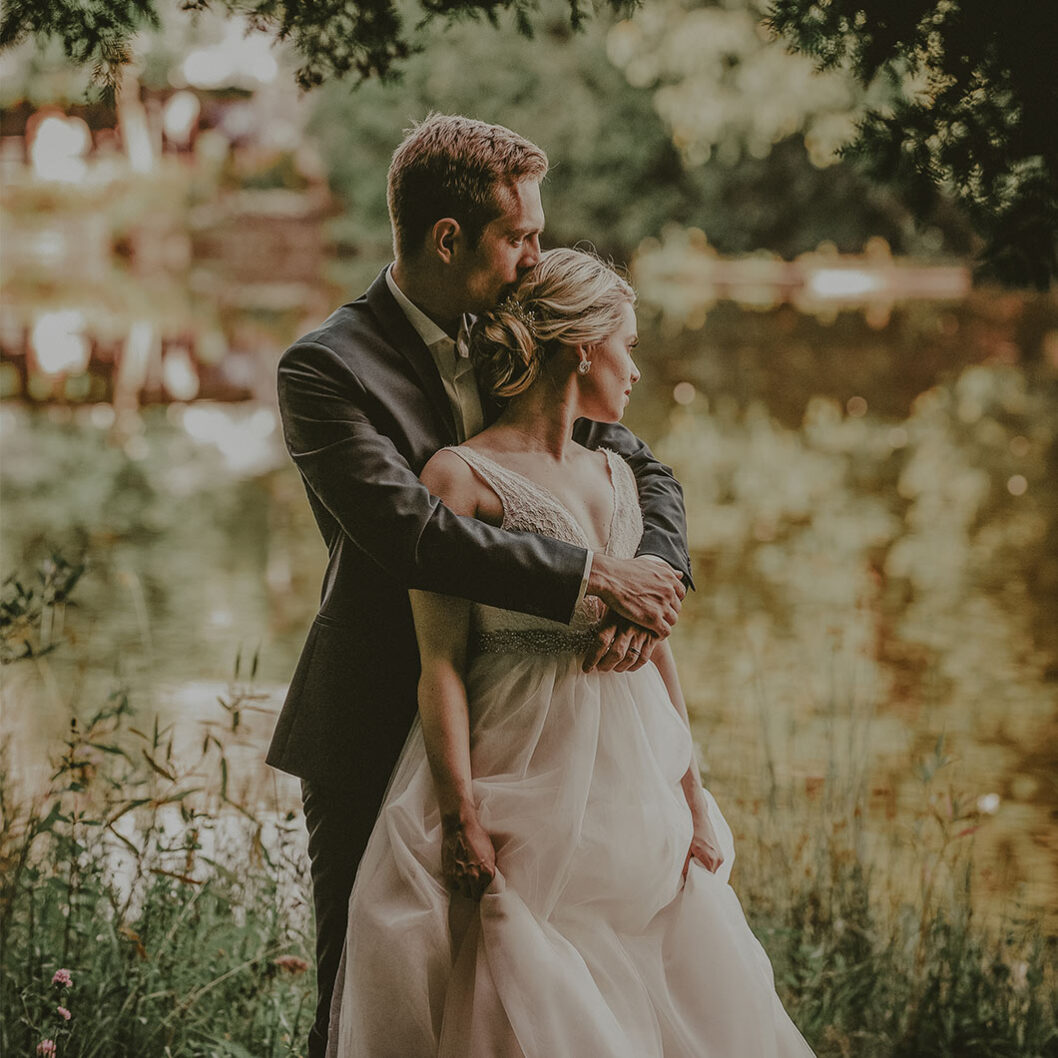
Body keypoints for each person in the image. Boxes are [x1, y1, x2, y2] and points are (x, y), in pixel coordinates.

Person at [266, 115, 692, 1058]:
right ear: (449, 239)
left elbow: (638, 464)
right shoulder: (325, 369)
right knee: (369, 993)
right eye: (521, 237)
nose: (537, 255)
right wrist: (590, 579)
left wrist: (652, 573)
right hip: (378, 711)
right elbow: (411, 534)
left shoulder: (523, 330)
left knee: (526, 989)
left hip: (527, 736)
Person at [326, 248, 815, 1057]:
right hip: (517, 761)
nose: (636, 368)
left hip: (628, 775)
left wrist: (691, 793)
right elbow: (440, 662)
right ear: (584, 346)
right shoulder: (460, 477)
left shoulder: (619, 473)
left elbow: (657, 655)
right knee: (517, 977)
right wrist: (459, 815)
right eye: (628, 343)